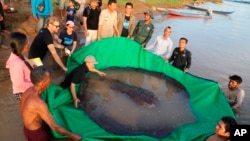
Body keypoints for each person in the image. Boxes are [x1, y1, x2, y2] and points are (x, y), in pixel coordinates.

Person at [20, 66, 82, 141]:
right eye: (49, 79)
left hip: (27, 129)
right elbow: (55, 126)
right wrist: (72, 135)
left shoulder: (27, 91)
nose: (50, 81)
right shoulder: (38, 103)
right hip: (37, 133)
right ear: (42, 83)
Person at [6, 32, 33, 101]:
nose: (28, 45)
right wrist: (34, 85)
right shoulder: (17, 64)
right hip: (23, 92)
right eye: (27, 43)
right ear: (22, 46)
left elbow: (26, 63)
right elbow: (19, 84)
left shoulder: (18, 55)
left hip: (27, 88)